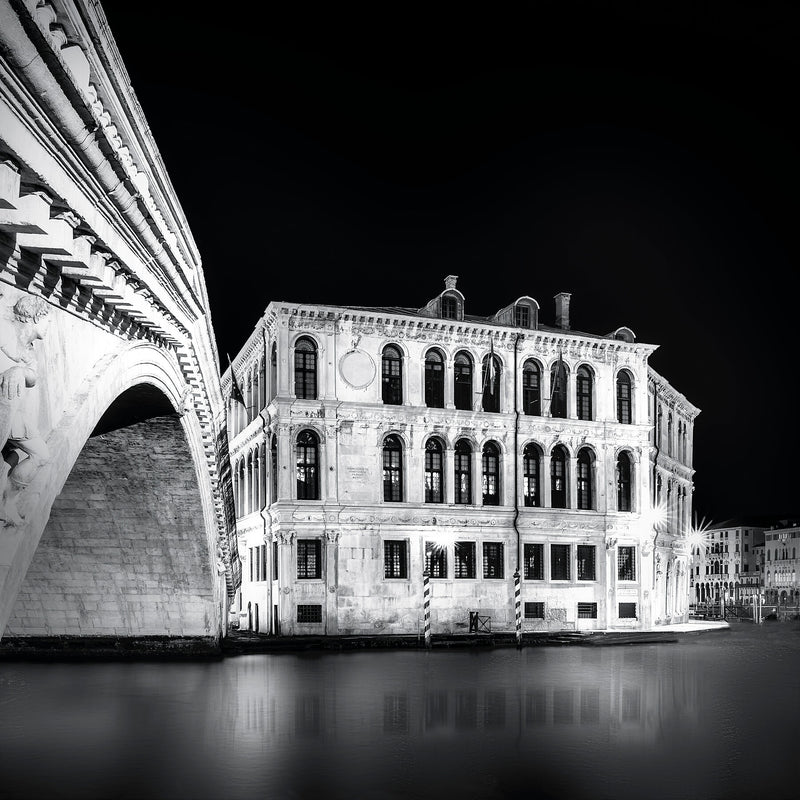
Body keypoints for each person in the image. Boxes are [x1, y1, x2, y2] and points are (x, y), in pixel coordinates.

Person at [0, 293, 51, 527]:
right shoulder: (5, 331)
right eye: (47, 319)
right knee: (40, 455)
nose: (49, 325)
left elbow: (32, 376)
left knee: (29, 455)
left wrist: (19, 370)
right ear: (35, 317)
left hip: (16, 413)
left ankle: (6, 499)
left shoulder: (28, 347)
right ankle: (6, 504)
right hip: (6, 408)